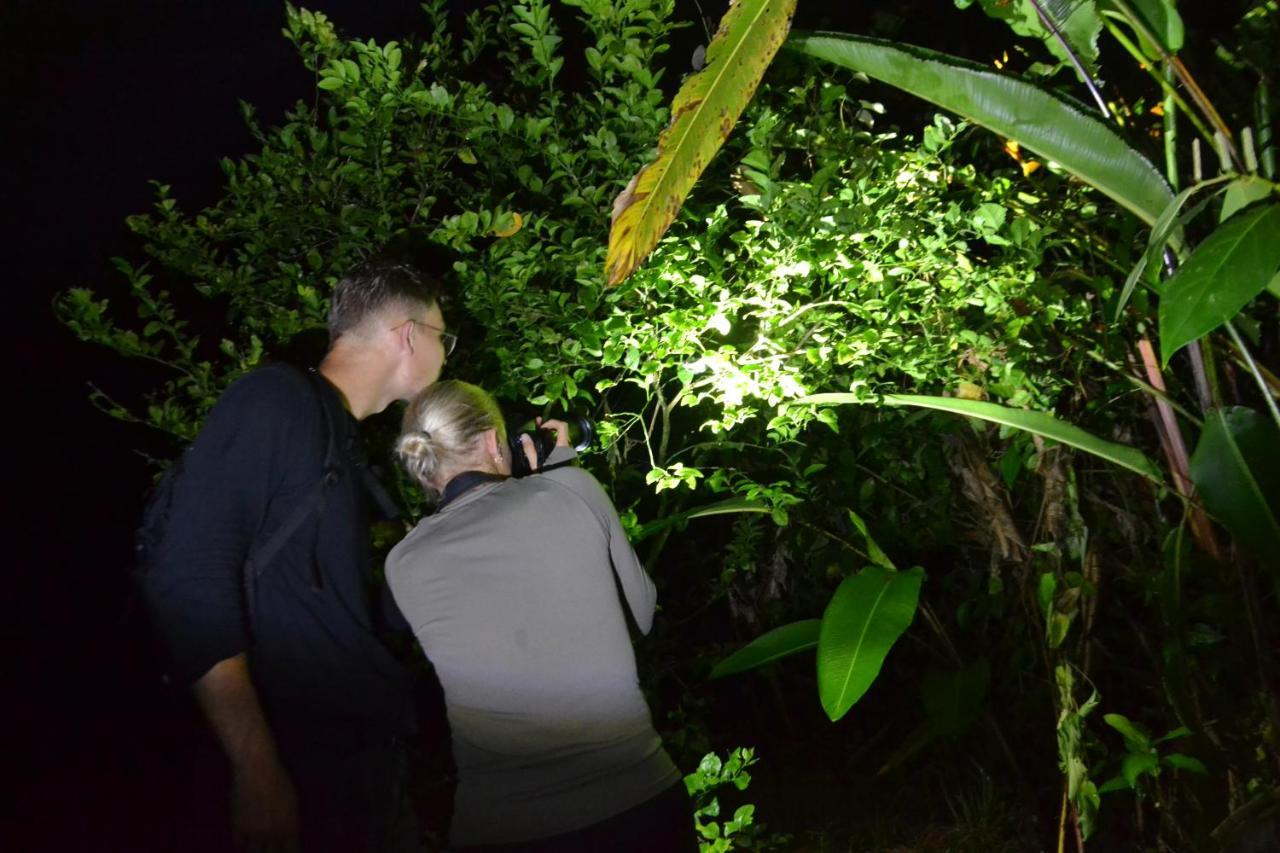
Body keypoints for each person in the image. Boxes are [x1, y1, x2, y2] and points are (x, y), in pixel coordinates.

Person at [143, 258, 455, 852]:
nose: (448, 353)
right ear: (409, 335)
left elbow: (338, 613)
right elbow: (187, 577)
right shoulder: (277, 399)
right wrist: (255, 769)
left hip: (358, 768)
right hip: (300, 770)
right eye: (444, 336)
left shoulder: (340, 439)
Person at [385, 381, 695, 852]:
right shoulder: (570, 491)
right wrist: (563, 464)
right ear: (493, 441)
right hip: (634, 803)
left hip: (503, 826)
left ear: (423, 469)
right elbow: (640, 617)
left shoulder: (402, 564)